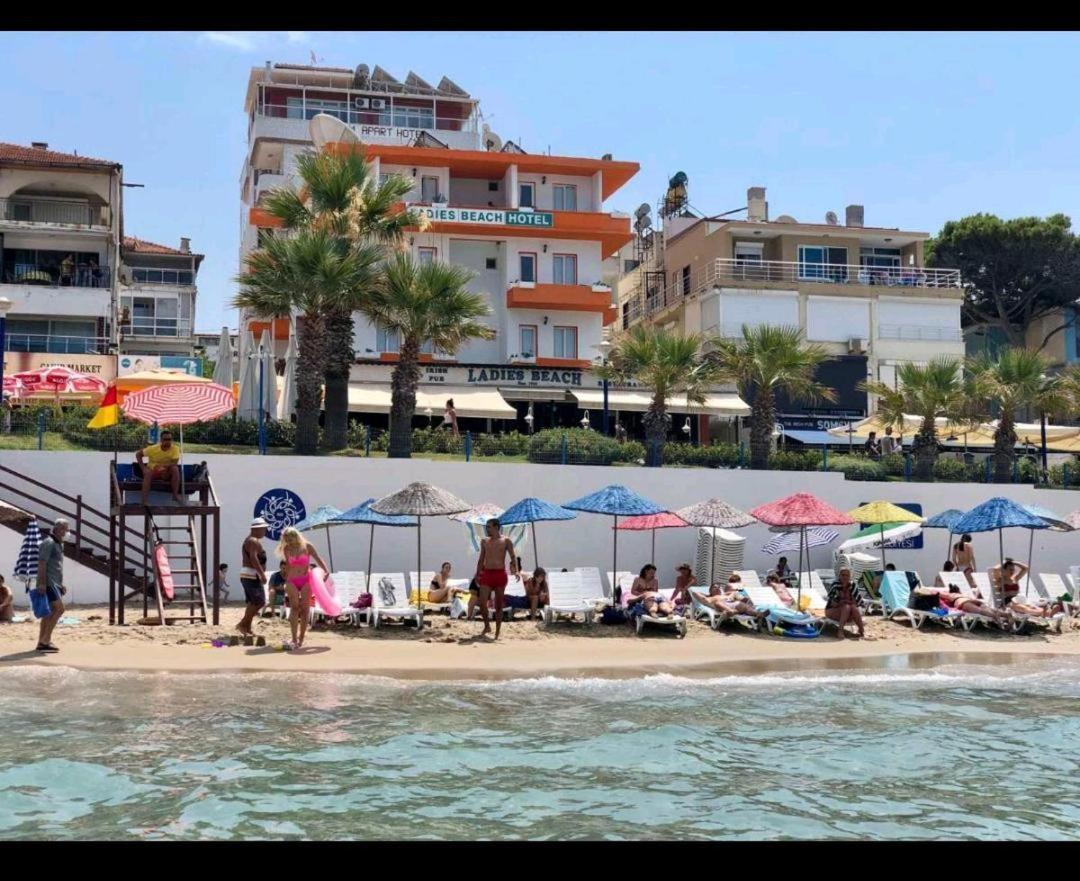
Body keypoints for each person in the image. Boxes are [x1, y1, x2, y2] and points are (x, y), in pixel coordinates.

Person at [277, 526, 330, 650]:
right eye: (286, 539)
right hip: (292, 580)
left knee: (305, 609)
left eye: (290, 539)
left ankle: (301, 638)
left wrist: (326, 571)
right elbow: (288, 566)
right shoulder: (286, 549)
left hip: (306, 579)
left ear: (296, 536)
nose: (289, 541)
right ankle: (294, 639)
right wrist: (285, 580)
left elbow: (317, 558)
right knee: (294, 608)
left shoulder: (307, 546)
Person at [475, 518, 518, 638]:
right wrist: (477, 573)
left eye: (488, 527)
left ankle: (497, 631)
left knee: (499, 605)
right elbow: (481, 559)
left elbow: (513, 557)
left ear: (496, 527)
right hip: (487, 574)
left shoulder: (506, 541)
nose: (486, 529)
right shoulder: (484, 541)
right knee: (482, 602)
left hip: (500, 574)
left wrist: (517, 571)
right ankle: (487, 626)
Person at [35, 518, 69, 652]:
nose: (67, 532)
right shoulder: (48, 542)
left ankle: (41, 642)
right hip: (48, 582)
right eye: (66, 529)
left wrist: (61, 584)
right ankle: (45, 640)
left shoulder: (59, 544)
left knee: (48, 613)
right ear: (59, 529)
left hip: (55, 583)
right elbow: (42, 563)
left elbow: (57, 567)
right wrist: (42, 583)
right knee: (60, 609)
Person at [236, 517, 269, 636]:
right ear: (257, 529)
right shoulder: (253, 541)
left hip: (248, 574)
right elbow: (254, 559)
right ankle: (243, 624)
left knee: (252, 602)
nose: (265, 531)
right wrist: (262, 574)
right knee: (259, 602)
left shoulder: (250, 540)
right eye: (264, 529)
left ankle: (247, 628)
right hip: (252, 575)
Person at [136, 429, 183, 506]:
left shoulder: (175, 448)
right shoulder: (153, 448)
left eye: (169, 439)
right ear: (161, 440)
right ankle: (144, 501)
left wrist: (164, 468)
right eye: (165, 439)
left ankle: (175, 495)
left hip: (167, 471)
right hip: (153, 470)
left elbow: (174, 463)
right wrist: (143, 469)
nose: (168, 441)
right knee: (148, 473)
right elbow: (138, 454)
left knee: (175, 469)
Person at [825, 567, 865, 639]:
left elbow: (857, 603)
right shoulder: (835, 585)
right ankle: (840, 631)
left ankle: (861, 630)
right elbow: (833, 604)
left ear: (850, 576)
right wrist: (845, 601)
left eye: (847, 575)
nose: (845, 577)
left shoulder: (853, 585)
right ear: (839, 576)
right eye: (843, 575)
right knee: (847, 607)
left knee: (852, 608)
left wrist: (846, 601)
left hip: (849, 613)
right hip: (832, 611)